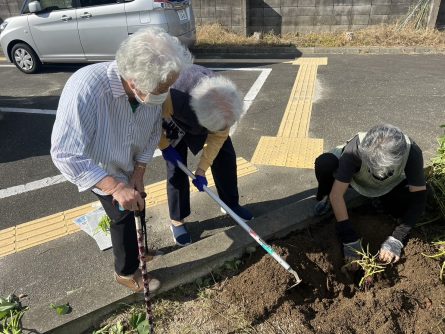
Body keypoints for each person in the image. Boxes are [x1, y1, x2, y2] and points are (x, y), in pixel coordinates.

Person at [50, 27, 193, 292]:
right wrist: (115, 187)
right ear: (132, 80)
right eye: (161, 88)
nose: (165, 93)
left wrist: (139, 172)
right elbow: (64, 153)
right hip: (101, 169)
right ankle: (126, 272)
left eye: (168, 86)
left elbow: (152, 134)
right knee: (121, 215)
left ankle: (140, 250)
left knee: (137, 204)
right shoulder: (87, 88)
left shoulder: (151, 87)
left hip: (129, 164)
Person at [159, 65, 253, 246]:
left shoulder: (226, 100)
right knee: (176, 169)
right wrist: (164, 146)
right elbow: (154, 121)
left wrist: (201, 170)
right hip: (174, 118)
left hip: (207, 114)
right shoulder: (171, 94)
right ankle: (177, 220)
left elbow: (218, 137)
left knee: (225, 157)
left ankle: (230, 203)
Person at [314, 124, 426, 265]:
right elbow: (337, 195)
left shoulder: (412, 152)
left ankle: (381, 201)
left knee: (406, 200)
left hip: (387, 183)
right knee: (325, 163)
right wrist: (349, 239)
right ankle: (326, 198)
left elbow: (419, 199)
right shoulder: (355, 149)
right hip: (354, 179)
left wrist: (397, 239)